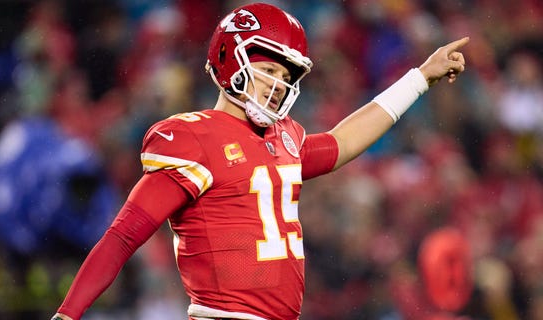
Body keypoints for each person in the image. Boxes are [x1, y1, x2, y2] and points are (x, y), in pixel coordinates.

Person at [51, 2, 468, 320]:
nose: (277, 86)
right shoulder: (193, 138)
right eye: (269, 69)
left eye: (286, 78)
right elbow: (123, 237)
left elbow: (342, 141)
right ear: (231, 60)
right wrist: (68, 314)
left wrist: (420, 77)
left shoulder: (283, 136)